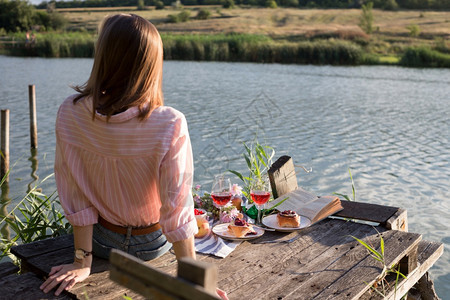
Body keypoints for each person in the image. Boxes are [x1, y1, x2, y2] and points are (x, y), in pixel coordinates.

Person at [39, 14, 227, 300]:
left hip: (102, 242)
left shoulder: (70, 112)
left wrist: (82, 262)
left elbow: (74, 194)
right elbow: (176, 209)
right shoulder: (170, 123)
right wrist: (193, 281)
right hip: (152, 244)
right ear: (150, 65)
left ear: (103, 55)